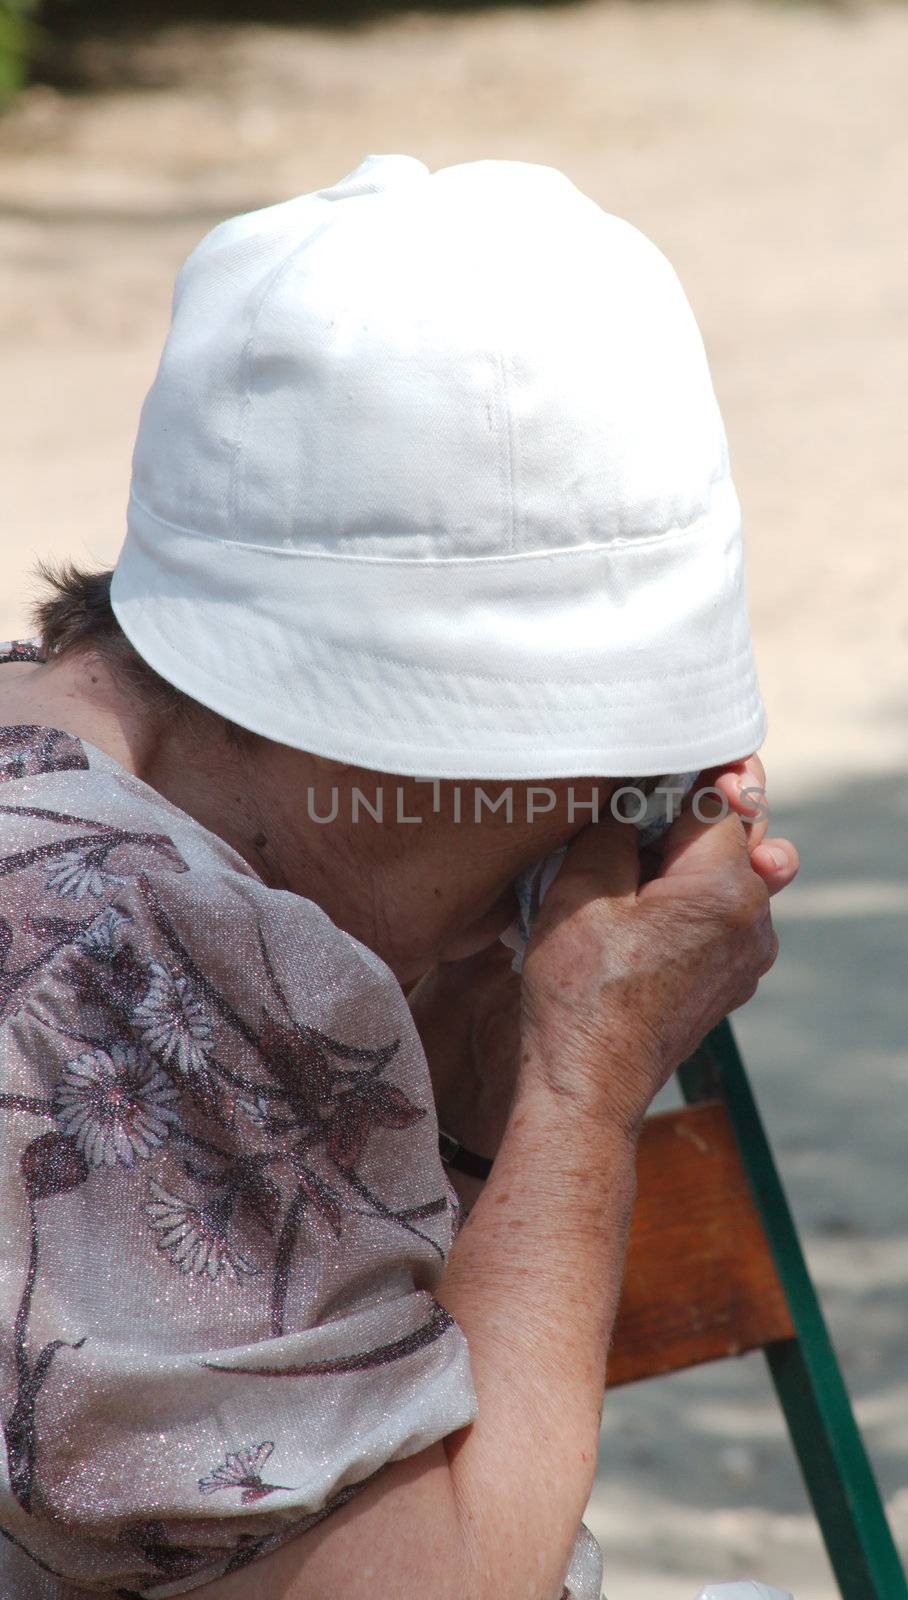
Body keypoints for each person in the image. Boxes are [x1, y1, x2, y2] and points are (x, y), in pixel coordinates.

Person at [0, 156, 798, 1600]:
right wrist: (581, 1083)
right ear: (332, 723)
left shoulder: (88, 804)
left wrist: (488, 1074)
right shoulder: (97, 959)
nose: (597, 827)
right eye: (584, 772)